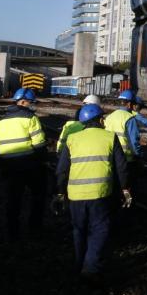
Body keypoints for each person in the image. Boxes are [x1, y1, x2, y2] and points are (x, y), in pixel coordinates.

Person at [55, 104, 131, 280]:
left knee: (79, 229)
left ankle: (79, 263)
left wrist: (60, 192)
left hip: (75, 196)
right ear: (99, 119)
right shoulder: (109, 137)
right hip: (101, 194)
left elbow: (61, 170)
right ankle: (90, 267)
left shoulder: (72, 139)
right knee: (100, 230)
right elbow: (122, 168)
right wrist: (125, 189)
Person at [0, 87, 48, 240]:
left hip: (10, 167)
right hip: (30, 166)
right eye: (31, 103)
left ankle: (13, 232)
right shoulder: (31, 119)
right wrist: (42, 161)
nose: (32, 105)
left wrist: (3, 167)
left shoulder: (1, 122)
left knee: (13, 200)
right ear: (23, 101)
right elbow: (39, 145)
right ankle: (35, 228)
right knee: (38, 196)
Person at [104, 91, 147, 163]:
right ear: (129, 104)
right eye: (135, 104)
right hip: (125, 157)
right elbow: (133, 143)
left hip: (110, 155)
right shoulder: (129, 118)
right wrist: (138, 155)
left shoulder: (109, 117)